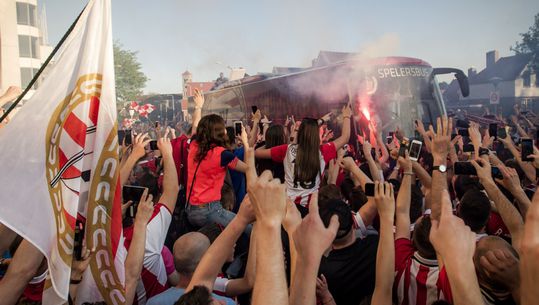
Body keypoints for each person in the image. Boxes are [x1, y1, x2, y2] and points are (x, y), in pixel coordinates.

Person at [255, 104, 351, 212]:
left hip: (287, 208)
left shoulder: (286, 150)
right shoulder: (323, 151)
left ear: (299, 133)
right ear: (316, 135)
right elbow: (345, 137)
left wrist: (265, 140)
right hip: (310, 210)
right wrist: (346, 116)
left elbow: (257, 153)